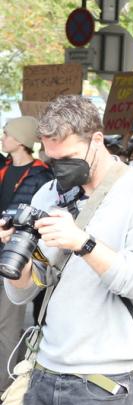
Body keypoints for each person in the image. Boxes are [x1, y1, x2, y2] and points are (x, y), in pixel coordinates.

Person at [3, 95, 133, 405]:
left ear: (97, 140)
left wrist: (84, 244)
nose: (59, 169)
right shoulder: (50, 192)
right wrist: (13, 255)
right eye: (52, 160)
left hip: (104, 381)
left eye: (68, 159)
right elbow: (24, 291)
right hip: (44, 371)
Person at [0, 116, 52, 390]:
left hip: (18, 259)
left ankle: (4, 385)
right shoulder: (3, 167)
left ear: (20, 140)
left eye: (6, 133)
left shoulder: (41, 176)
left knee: (7, 326)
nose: (2, 137)